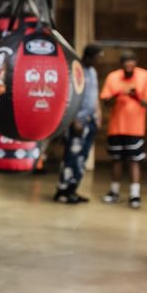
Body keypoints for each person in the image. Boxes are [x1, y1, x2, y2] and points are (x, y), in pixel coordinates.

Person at [100, 50, 147, 208]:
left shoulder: (146, 76)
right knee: (116, 159)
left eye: (132, 61)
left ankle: (134, 195)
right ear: (121, 64)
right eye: (125, 62)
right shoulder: (113, 77)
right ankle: (114, 192)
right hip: (116, 127)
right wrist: (118, 94)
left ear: (136, 62)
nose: (129, 64)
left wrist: (136, 97)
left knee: (134, 161)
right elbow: (106, 102)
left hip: (135, 128)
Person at [53, 45, 103, 204]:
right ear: (89, 56)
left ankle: (73, 189)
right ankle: (62, 190)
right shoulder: (76, 70)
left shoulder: (93, 72)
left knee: (82, 157)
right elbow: (68, 97)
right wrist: (74, 120)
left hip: (90, 121)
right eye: (97, 57)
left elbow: (94, 95)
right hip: (77, 122)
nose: (99, 61)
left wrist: (98, 114)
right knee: (71, 156)